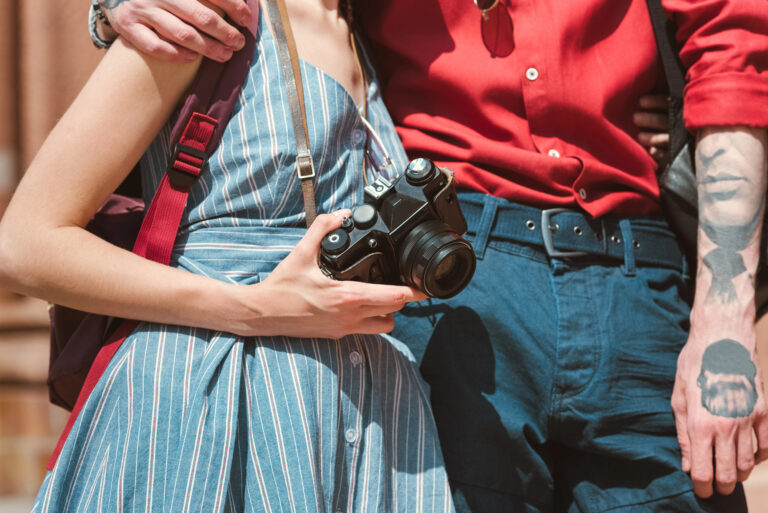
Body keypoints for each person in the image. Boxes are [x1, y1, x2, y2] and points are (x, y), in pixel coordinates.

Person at [78, 0, 768, 511]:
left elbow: (732, 47)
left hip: (639, 286)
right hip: (446, 278)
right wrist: (112, 9)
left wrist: (727, 328)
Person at [0, 1, 457, 512]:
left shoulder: (371, 32)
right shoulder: (207, 15)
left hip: (365, 422)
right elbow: (25, 244)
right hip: (205, 412)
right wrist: (254, 308)